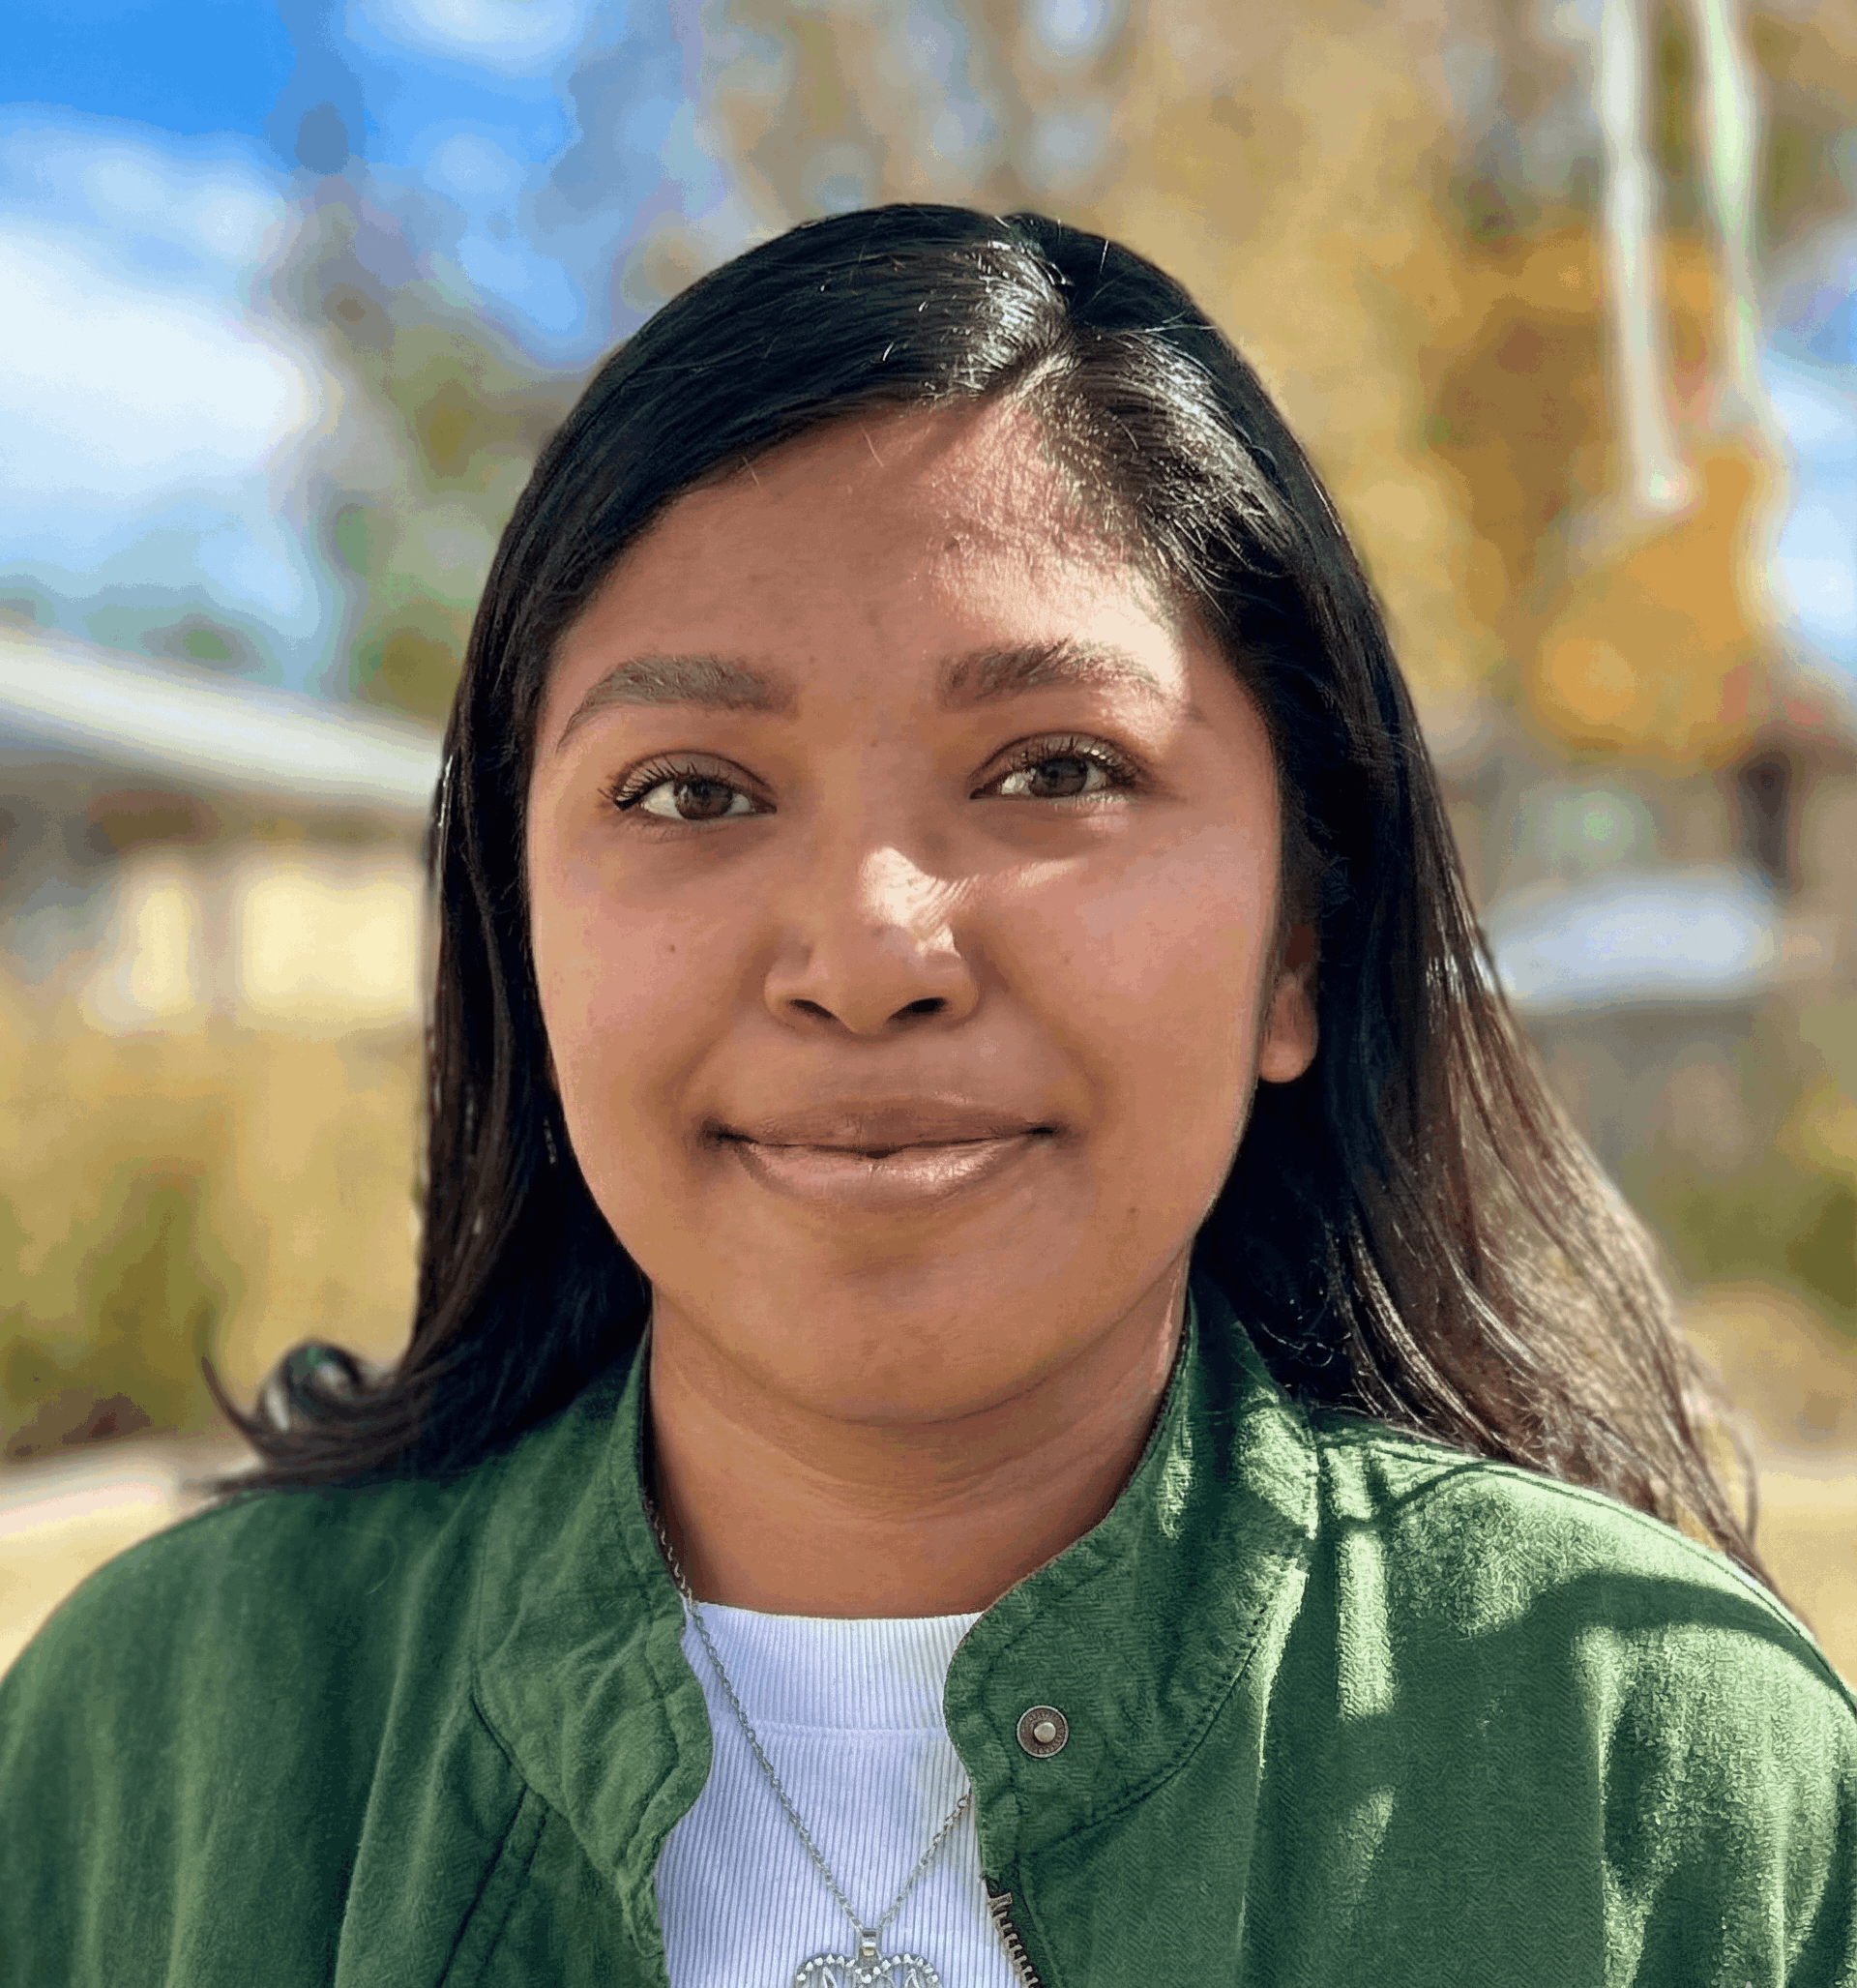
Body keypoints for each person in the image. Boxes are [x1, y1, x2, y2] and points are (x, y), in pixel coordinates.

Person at [2, 202, 1852, 1988]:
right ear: (523, 930)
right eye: (691, 790)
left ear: (1299, 940)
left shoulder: (1674, 1795)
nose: (871, 947)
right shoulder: (144, 1750)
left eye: (1053, 767)